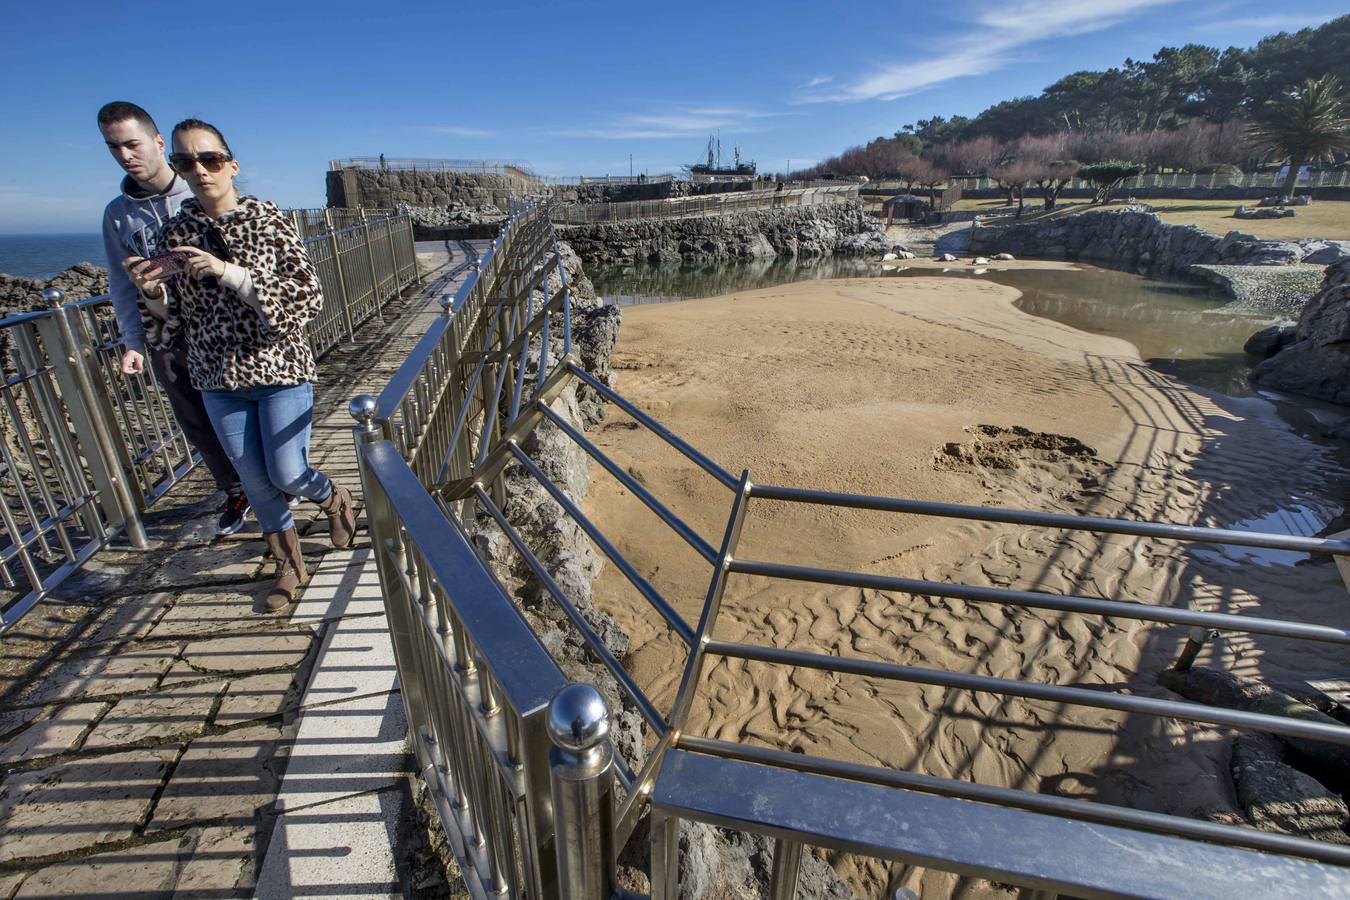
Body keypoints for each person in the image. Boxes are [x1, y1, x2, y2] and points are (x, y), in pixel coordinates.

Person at [124, 118, 355, 611]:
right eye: (186, 162)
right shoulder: (176, 231)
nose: (199, 170)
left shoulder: (269, 220)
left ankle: (334, 498)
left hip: (278, 369)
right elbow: (172, 320)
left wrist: (228, 273)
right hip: (215, 375)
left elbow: (308, 298)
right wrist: (153, 296)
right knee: (254, 480)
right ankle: (288, 567)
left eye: (209, 159)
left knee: (288, 472)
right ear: (179, 169)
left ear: (231, 164)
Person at [97, 101, 248, 535]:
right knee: (196, 419)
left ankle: (269, 484)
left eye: (132, 143)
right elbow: (120, 282)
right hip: (166, 331)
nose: (126, 155)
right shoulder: (118, 214)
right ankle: (235, 490)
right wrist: (132, 341)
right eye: (114, 147)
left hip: (220, 324)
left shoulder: (201, 186)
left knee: (240, 408)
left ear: (158, 142)